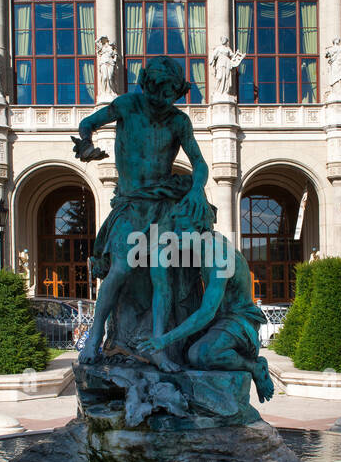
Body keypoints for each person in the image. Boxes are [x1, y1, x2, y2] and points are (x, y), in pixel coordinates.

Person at [72, 56, 212, 369]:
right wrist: (85, 143)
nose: (161, 98)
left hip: (161, 205)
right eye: (156, 90)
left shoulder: (179, 121)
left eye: (168, 94)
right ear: (146, 83)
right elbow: (87, 124)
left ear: (175, 92)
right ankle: (94, 339)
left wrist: (196, 189)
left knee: (161, 278)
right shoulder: (125, 105)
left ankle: (157, 348)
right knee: (121, 267)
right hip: (130, 204)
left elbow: (200, 164)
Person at [139, 201, 274, 401]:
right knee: (183, 353)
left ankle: (255, 367)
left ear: (201, 228)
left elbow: (207, 311)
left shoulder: (219, 254)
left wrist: (164, 339)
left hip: (239, 321)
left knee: (200, 355)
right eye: (176, 228)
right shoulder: (201, 248)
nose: (176, 234)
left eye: (183, 228)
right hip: (218, 321)